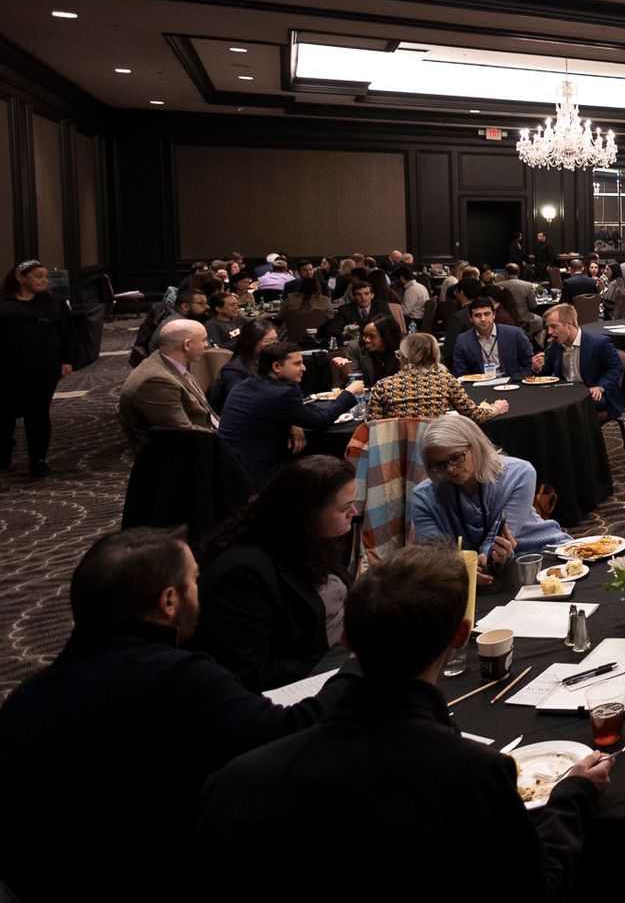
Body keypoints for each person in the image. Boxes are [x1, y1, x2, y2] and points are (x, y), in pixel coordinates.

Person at [193, 546, 610, 899]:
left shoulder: (234, 783)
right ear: (461, 635)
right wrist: (573, 795)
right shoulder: (471, 774)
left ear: (346, 641)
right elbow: (536, 890)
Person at [0, 528, 347, 899]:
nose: (202, 591)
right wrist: (359, 664)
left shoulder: (27, 694)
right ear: (169, 601)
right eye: (195, 580)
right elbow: (292, 732)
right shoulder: (177, 678)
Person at [189, 455, 357, 690]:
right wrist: (348, 665)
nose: (354, 512)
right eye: (344, 508)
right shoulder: (241, 576)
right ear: (306, 513)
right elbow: (252, 673)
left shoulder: (312, 542)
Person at [411, 413, 568, 567]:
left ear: (476, 446)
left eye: (456, 457)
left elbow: (500, 538)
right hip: (466, 573)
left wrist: (488, 559)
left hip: (538, 553)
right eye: (439, 464)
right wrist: (462, 571)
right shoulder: (424, 497)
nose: (450, 469)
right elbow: (435, 556)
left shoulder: (518, 473)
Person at [218, 342, 364, 485]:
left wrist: (293, 423)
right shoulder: (280, 393)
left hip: (229, 465)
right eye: (297, 364)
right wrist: (348, 393)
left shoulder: (248, 384)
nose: (304, 368)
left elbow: (292, 409)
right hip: (257, 471)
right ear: (276, 366)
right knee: (326, 457)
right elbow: (320, 421)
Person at [0, 258, 78, 478]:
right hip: (6, 367)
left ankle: (38, 460)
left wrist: (67, 360)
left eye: (46, 277)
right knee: (4, 414)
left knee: (38, 414)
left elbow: (67, 333)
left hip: (42, 367)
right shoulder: (3, 302)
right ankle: (4, 454)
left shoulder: (54, 303)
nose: (44, 281)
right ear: (20, 278)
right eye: (38, 276)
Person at [117, 316, 217, 449]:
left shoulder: (169, 363)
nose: (206, 344)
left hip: (203, 437)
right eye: (204, 340)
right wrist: (227, 435)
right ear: (187, 345)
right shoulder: (155, 381)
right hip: (186, 454)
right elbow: (183, 434)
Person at [369, 333, 504, 422]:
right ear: (435, 355)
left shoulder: (383, 386)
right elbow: (475, 416)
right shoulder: (445, 380)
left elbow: (372, 427)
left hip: (397, 454)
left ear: (404, 357)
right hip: (435, 451)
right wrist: (496, 408)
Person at [533, 304, 625, 413]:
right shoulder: (555, 345)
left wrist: (600, 387)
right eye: (548, 327)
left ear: (569, 324)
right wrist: (537, 367)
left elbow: (616, 367)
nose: (549, 332)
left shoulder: (599, 343)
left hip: (591, 393)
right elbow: (547, 371)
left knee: (569, 407)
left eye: (554, 326)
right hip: (564, 393)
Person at [449, 294, 536, 378]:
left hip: (511, 385)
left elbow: (529, 364)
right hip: (479, 387)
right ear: (470, 318)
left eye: (487, 314)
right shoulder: (463, 340)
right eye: (477, 315)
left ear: (493, 315)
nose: (483, 319)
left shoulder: (515, 334)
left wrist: (518, 379)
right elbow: (459, 373)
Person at [210, 317, 276, 412]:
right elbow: (240, 400)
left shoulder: (271, 362)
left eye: (276, 340)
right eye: (268, 341)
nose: (274, 345)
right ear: (251, 342)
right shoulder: (234, 369)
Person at [333, 313, 405, 388]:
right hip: (365, 393)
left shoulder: (401, 348)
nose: (366, 340)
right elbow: (354, 382)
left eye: (372, 336)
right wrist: (347, 369)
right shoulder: (356, 348)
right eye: (364, 335)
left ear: (386, 337)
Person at [324, 278, 384, 343]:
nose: (363, 297)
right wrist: (349, 334)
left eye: (366, 294)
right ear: (353, 296)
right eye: (358, 294)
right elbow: (333, 330)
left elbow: (391, 328)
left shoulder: (381, 307)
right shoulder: (345, 310)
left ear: (372, 295)